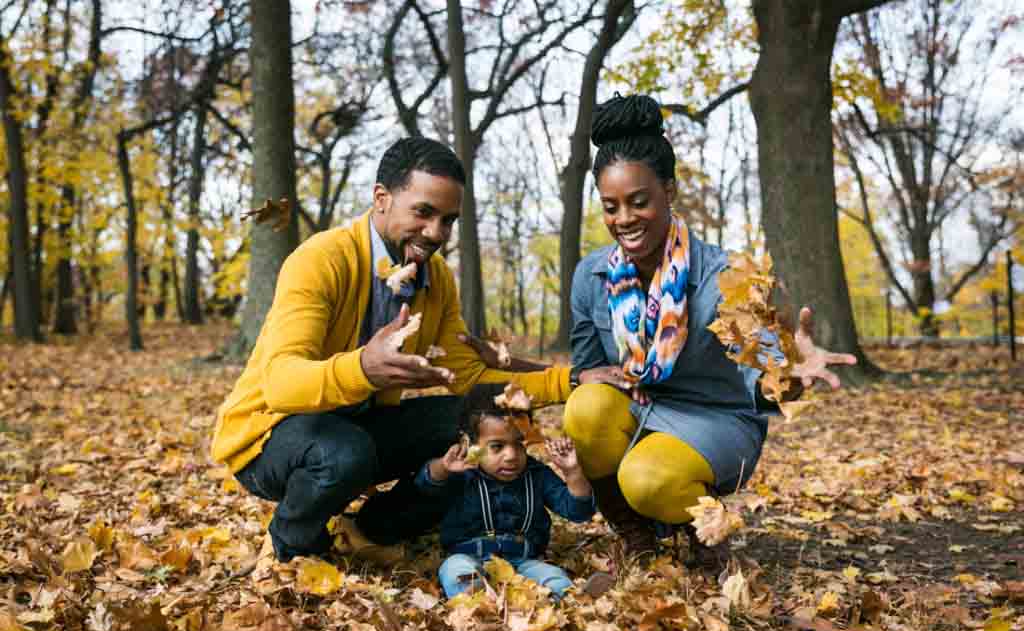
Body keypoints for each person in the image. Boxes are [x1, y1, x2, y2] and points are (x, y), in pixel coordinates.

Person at [211, 137, 618, 563]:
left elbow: (473, 380)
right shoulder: (320, 260)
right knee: (345, 451)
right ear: (382, 198)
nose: (436, 233)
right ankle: (288, 546)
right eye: (423, 212)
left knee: (467, 425)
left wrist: (571, 380)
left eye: (448, 220)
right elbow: (280, 384)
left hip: (357, 426)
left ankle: (369, 529)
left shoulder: (435, 279)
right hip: (269, 438)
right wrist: (365, 369)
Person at [558, 94, 858, 568]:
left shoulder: (724, 277)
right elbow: (586, 367)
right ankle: (633, 532)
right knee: (585, 408)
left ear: (669, 191)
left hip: (716, 418)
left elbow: (766, 379)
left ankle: (706, 533)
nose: (624, 220)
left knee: (647, 479)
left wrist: (792, 371)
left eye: (639, 202)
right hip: (642, 410)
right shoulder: (591, 276)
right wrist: (588, 378)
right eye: (610, 207)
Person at [414, 384, 595, 600]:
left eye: (519, 444)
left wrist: (573, 473)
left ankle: (558, 600)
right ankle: (476, 604)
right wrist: (442, 467)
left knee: (556, 578)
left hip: (524, 562)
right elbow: (424, 486)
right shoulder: (462, 473)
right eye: (497, 447)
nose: (511, 455)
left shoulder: (536, 474)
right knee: (456, 574)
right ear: (469, 443)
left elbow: (577, 512)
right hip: (467, 556)